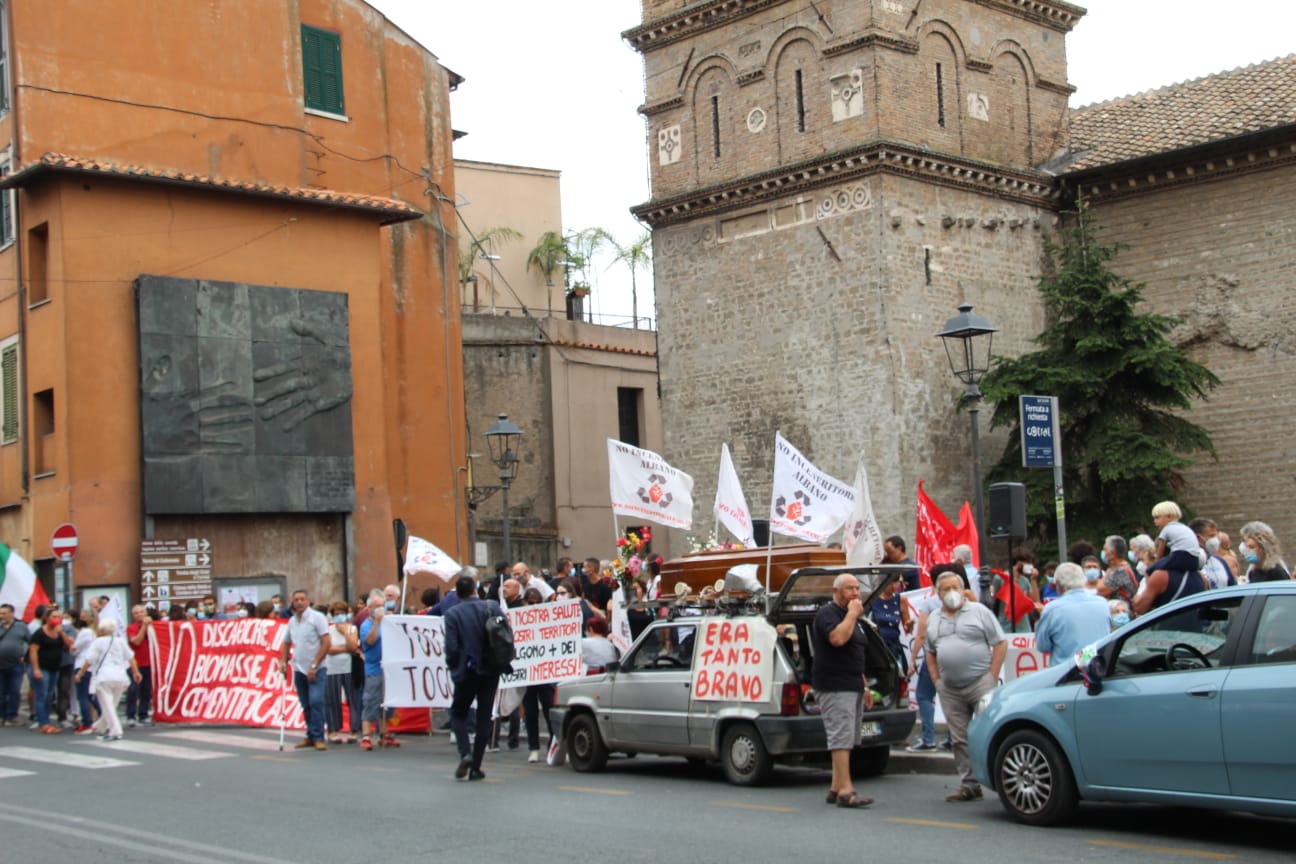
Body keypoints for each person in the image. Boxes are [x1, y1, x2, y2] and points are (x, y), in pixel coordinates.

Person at [926, 571, 1006, 802]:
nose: (951, 593)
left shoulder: (979, 612)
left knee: (989, 731)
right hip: (950, 688)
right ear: (938, 593)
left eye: (955, 587)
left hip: (980, 682)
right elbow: (931, 652)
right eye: (945, 589)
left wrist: (992, 676)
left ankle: (999, 781)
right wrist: (936, 681)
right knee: (960, 738)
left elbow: (1000, 643)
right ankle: (969, 784)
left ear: (963, 590)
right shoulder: (934, 618)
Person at [811, 572, 875, 809]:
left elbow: (856, 653)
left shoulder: (855, 618)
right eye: (849, 589)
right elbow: (838, 639)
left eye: (857, 588)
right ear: (836, 592)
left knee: (849, 736)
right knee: (841, 738)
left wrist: (864, 685)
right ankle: (846, 791)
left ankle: (836, 786)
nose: (855, 593)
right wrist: (851, 614)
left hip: (852, 684)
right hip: (834, 685)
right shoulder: (828, 614)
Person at [444, 574, 506, 781]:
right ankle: (476, 767)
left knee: (458, 713)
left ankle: (465, 753)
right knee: (484, 717)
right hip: (491, 669)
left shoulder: (453, 614)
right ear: (475, 590)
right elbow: (506, 635)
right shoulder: (492, 607)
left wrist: (453, 666)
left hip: (467, 670)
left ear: (458, 593)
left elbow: (451, 647)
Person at [280, 589, 331, 751]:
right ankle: (310, 734)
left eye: (302, 599)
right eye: (296, 600)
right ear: (292, 603)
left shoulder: (317, 618)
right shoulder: (292, 621)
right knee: (305, 703)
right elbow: (286, 642)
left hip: (316, 668)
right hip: (299, 668)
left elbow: (326, 642)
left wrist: (315, 664)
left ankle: (318, 736)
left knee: (316, 701)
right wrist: (283, 660)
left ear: (308, 601)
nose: (299, 602)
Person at [75, 618, 141, 741]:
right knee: (111, 705)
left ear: (101, 630)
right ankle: (101, 726)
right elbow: (131, 657)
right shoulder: (120, 641)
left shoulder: (98, 642)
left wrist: (80, 673)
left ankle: (115, 731)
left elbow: (90, 660)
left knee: (108, 706)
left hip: (104, 676)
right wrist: (136, 672)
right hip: (120, 677)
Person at [1034, 563, 1112, 666]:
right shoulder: (1103, 603)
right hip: (1099, 668)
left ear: (1058, 584)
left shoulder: (1052, 609)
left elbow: (1042, 647)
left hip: (1067, 672)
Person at [358, 589, 398, 750]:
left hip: (389, 668)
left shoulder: (389, 622)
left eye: (381, 605)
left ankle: (384, 732)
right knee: (371, 701)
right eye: (376, 606)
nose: (379, 609)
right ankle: (366, 735)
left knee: (387, 703)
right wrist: (377, 622)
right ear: (369, 608)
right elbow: (370, 641)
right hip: (374, 668)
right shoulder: (366, 625)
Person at [28, 607, 74, 733]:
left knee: (49, 695)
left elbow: (68, 646)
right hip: (42, 667)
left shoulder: (59, 632)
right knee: (41, 694)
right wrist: (36, 669)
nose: (56, 619)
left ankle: (46, 720)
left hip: (54, 667)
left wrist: (62, 633)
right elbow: (33, 651)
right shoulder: (40, 633)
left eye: (58, 617)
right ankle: (43, 723)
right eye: (53, 617)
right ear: (47, 618)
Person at [324, 601, 360, 744]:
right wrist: (345, 648)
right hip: (332, 668)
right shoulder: (329, 630)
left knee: (353, 698)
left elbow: (353, 646)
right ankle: (333, 729)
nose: (339, 616)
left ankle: (354, 729)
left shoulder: (352, 629)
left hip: (349, 668)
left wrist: (345, 632)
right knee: (333, 699)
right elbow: (329, 649)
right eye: (336, 614)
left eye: (341, 613)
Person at [867, 574, 912, 671]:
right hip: (877, 646)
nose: (894, 586)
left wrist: (910, 625)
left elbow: (907, 629)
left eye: (896, 583)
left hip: (894, 646)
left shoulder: (901, 600)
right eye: (890, 583)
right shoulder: (872, 599)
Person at [0, 603, 30, 726]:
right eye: (0, 613)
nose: (1, 616)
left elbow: (30, 642)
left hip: (16, 664)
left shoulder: (21, 627)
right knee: (1, 692)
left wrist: (25, 655)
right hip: (0, 665)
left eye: (4, 613)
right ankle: (1, 715)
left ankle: (12, 715)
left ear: (12, 613)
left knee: (14, 691)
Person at [125, 604, 155, 727]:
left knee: (146, 691)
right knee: (133, 690)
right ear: (133, 616)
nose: (139, 615)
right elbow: (136, 641)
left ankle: (143, 714)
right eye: (136, 613)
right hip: (136, 664)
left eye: (141, 612)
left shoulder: (154, 626)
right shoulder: (131, 628)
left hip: (150, 663)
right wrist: (144, 626)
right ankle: (131, 715)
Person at [71, 608, 99, 733]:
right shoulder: (97, 632)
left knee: (82, 695)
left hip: (82, 664)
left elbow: (75, 649)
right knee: (90, 694)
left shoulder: (85, 632)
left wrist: (72, 647)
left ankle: (87, 722)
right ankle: (105, 715)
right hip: (93, 666)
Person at [1097, 536, 1139, 608]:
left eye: (1105, 549)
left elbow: (1101, 590)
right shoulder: (1124, 567)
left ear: (1113, 553)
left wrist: (1107, 573)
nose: (1103, 553)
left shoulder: (1119, 572)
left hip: (1122, 610)